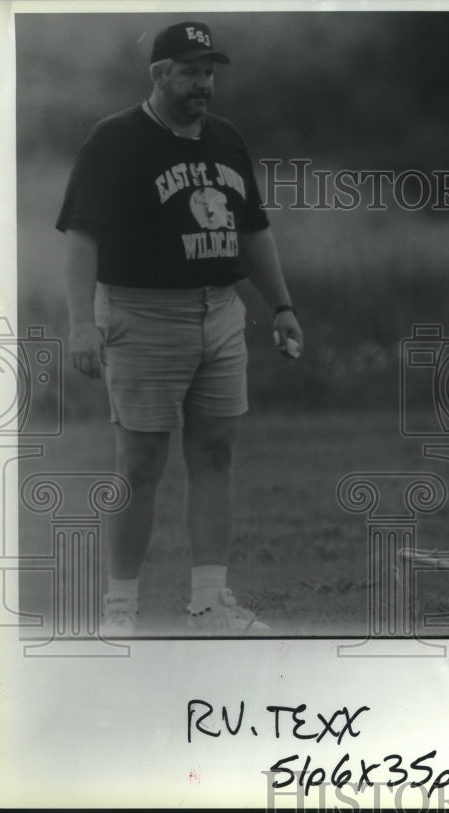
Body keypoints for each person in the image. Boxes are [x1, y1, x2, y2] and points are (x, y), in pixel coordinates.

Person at [57, 21, 304, 636]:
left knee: (216, 453)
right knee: (140, 460)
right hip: (142, 313)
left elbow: (254, 231)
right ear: (160, 74)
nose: (204, 84)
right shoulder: (114, 140)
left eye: (210, 71)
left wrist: (281, 307)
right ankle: (120, 611)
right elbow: (83, 236)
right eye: (191, 71)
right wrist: (81, 324)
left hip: (220, 310)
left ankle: (208, 604)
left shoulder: (226, 138)